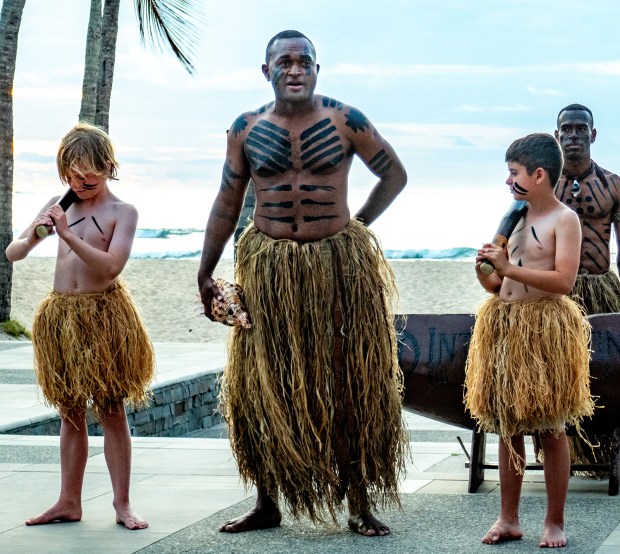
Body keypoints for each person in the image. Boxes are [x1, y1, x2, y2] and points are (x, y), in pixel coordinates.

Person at [197, 30, 408, 536]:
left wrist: (356, 227)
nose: (295, 69)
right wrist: (204, 271)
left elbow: (394, 175)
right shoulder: (245, 128)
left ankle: (358, 502)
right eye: (284, 62)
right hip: (269, 269)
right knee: (267, 382)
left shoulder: (345, 120)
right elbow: (228, 201)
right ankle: (267, 502)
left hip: (336, 266)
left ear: (318, 68)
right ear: (266, 71)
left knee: (347, 380)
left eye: (305, 62)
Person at [5, 122, 155, 530]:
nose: (83, 183)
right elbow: (14, 252)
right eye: (75, 176)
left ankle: (122, 504)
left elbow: (110, 267)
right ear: (64, 172)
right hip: (62, 316)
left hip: (104, 315)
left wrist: (67, 235)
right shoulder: (59, 202)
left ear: (108, 168)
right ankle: (68, 501)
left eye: (91, 175)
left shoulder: (122, 212)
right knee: (69, 411)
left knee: (111, 408)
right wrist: (39, 231)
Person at [464, 133, 594, 547]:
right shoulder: (514, 216)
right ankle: (509, 518)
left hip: (544, 329)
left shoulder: (564, 220)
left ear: (538, 175)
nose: (508, 181)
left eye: (513, 173)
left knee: (552, 428)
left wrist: (508, 268)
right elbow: (498, 282)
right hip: (506, 326)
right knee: (507, 426)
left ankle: (554, 522)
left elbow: (563, 281)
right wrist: (487, 271)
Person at [554, 103, 620, 470]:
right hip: (556, 290)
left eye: (582, 129)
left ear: (593, 135)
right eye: (568, 128)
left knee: (603, 368)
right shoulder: (541, 183)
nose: (574, 135)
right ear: (557, 134)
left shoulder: (613, 185)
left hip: (600, 287)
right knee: (560, 368)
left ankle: (605, 446)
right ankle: (561, 447)